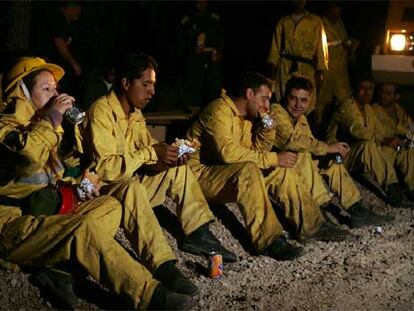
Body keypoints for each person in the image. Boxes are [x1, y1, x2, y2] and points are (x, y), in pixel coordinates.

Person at [0, 56, 193, 310]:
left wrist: (79, 182)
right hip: (13, 223)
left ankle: (162, 265)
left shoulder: (44, 127)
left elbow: (53, 175)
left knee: (117, 200)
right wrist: (53, 118)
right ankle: (150, 296)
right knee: (81, 228)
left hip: (46, 211)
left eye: (55, 89)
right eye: (46, 89)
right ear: (21, 93)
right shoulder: (7, 129)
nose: (55, 95)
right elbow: (26, 158)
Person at [78, 52, 236, 274]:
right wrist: (151, 153)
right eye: (145, 84)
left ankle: (198, 233)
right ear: (125, 83)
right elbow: (106, 168)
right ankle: (162, 265)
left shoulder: (135, 114)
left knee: (179, 170)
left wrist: (168, 158)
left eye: (153, 85)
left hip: (129, 186)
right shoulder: (101, 112)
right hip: (105, 192)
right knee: (131, 186)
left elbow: (149, 155)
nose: (152, 91)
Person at [186, 72, 351, 255]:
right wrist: (275, 158)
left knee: (279, 171)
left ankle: (312, 226)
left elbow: (257, 152)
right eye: (264, 99)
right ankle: (270, 240)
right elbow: (229, 154)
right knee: (253, 168)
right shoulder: (219, 111)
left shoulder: (246, 119)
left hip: (224, 173)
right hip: (200, 177)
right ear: (249, 94)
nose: (266, 105)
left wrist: (267, 131)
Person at [269, 76, 392, 228]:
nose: (298, 105)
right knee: (303, 154)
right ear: (285, 97)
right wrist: (327, 147)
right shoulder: (276, 111)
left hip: (295, 166)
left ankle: (356, 208)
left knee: (331, 161)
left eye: (303, 100)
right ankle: (319, 212)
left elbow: (311, 143)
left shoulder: (301, 119)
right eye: (293, 99)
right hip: (275, 168)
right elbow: (293, 141)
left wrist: (329, 152)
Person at [326, 73, 405, 206]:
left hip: (359, 157)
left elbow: (381, 131)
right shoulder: (347, 105)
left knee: (402, 149)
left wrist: (397, 140)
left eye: (370, 88)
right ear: (355, 89)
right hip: (339, 158)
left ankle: (410, 188)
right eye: (363, 88)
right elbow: (357, 130)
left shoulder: (368, 108)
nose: (367, 92)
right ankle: (393, 190)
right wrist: (383, 139)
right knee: (368, 145)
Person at [267, 0, 328, 119]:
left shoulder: (316, 21)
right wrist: (272, 72)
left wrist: (320, 71)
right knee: (285, 100)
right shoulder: (283, 22)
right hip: (286, 67)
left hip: (306, 68)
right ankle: (280, 130)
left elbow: (321, 48)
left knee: (305, 103)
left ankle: (304, 130)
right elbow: (275, 49)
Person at [316, 2, 356, 133]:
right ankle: (317, 126)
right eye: (334, 13)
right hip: (327, 69)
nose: (336, 16)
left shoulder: (340, 23)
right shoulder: (320, 23)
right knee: (321, 100)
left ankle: (345, 128)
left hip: (341, 70)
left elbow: (345, 40)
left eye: (338, 13)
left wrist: (350, 46)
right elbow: (320, 44)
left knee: (345, 100)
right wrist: (341, 43)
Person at [371, 82, 414, 201]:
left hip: (397, 147)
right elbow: (376, 134)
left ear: (396, 96)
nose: (383, 96)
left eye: (388, 93)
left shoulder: (398, 110)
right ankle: (393, 189)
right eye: (382, 92)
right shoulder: (373, 110)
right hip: (382, 151)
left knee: (410, 150)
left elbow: (410, 128)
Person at [177, 0, 223, 109]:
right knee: (194, 85)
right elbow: (181, 42)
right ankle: (193, 108)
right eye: (198, 2)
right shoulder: (188, 20)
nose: (200, 4)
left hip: (211, 58)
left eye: (203, 2)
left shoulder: (214, 19)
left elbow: (220, 39)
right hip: (194, 59)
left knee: (212, 86)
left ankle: (213, 108)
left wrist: (218, 52)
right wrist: (190, 51)